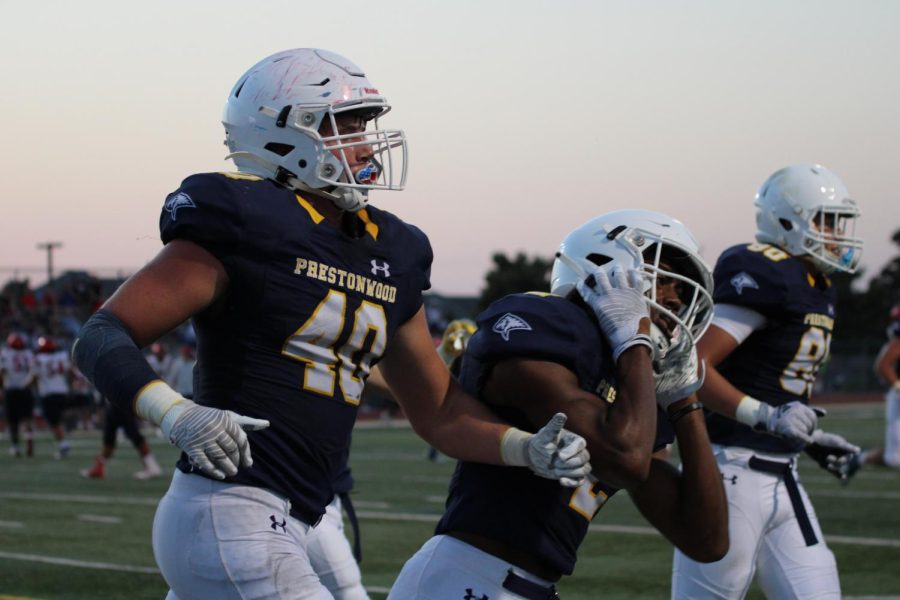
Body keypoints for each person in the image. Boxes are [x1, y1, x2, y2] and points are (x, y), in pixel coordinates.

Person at [72, 48, 591, 599]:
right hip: (230, 509)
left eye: (367, 123)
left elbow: (439, 410)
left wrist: (523, 448)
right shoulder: (246, 218)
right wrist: (174, 412)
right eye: (347, 123)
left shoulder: (394, 248)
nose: (367, 141)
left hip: (305, 516)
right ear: (283, 133)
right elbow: (101, 335)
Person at [389, 210, 729, 599]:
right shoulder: (548, 330)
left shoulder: (630, 387)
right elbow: (626, 459)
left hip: (532, 587)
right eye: (664, 279)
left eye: (681, 292)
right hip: (466, 578)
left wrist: (685, 400)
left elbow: (707, 540)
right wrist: (634, 343)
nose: (674, 298)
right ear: (606, 266)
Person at [672, 164, 864, 599]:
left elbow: (773, 385)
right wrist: (769, 417)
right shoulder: (766, 271)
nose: (836, 234)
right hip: (729, 471)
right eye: (826, 221)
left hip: (782, 473)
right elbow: (691, 369)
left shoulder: (816, 283)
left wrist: (807, 440)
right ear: (787, 220)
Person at [856, 304, 900, 469]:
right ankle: (860, 458)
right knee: (895, 459)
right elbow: (883, 365)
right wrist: (897, 385)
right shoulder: (897, 340)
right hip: (897, 395)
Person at [81, 398, 163, 480]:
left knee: (133, 434)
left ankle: (152, 466)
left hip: (121, 402)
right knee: (109, 437)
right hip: (113, 402)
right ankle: (99, 467)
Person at [32, 336, 71, 459]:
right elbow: (70, 372)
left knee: (54, 422)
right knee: (58, 419)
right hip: (62, 392)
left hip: (49, 393)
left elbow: (34, 377)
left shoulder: (39, 359)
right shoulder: (62, 356)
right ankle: (64, 438)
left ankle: (64, 445)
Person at [0, 332, 36, 457]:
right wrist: (27, 385)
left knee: (12, 421)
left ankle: (15, 446)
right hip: (25, 389)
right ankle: (29, 439)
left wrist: (2, 388)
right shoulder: (28, 353)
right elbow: (33, 373)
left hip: (11, 389)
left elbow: (2, 371)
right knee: (27, 419)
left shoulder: (5, 353)